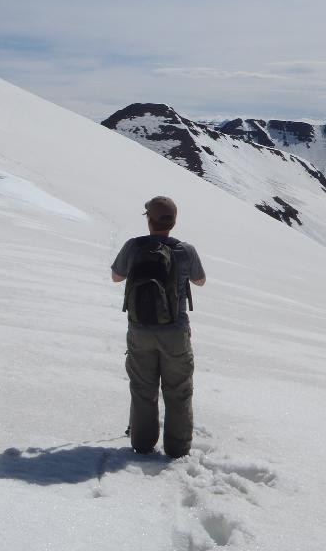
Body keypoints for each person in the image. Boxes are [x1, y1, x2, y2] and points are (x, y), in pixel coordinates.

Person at [111, 196, 206, 458]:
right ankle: (177, 448)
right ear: (173, 222)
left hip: (140, 329)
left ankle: (142, 444)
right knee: (178, 390)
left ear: (149, 220)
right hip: (175, 331)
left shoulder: (133, 246)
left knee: (143, 388)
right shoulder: (185, 250)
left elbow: (116, 276)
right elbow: (200, 281)